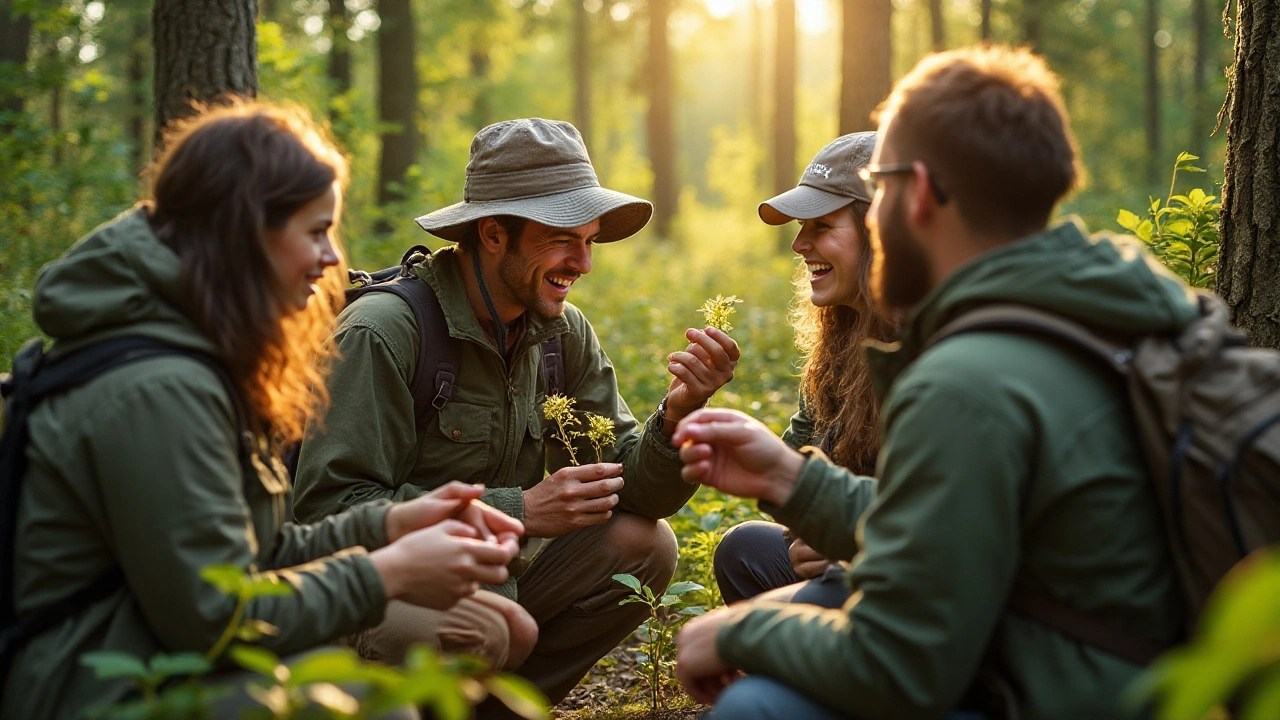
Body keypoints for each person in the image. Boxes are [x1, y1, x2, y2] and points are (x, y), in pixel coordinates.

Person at [672, 45, 1190, 720]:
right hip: (1080, 652)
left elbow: (901, 665)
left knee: (757, 708)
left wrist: (741, 629)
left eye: (877, 191)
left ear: (914, 194)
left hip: (1047, 684)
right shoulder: (1091, 305)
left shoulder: (967, 377)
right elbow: (955, 539)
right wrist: (790, 480)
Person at [1, 103, 525, 720]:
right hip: (85, 687)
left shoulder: (195, 353)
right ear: (245, 233)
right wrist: (386, 574)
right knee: (367, 706)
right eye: (315, 231)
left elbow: (252, 552)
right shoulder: (159, 388)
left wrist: (389, 526)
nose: (334, 258)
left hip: (148, 650)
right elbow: (216, 618)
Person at [291, 118, 739, 705]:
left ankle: (503, 712)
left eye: (590, 239)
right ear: (494, 233)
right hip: (368, 585)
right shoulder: (384, 333)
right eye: (562, 239)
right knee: (472, 630)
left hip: (486, 572)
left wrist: (679, 412)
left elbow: (637, 492)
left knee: (643, 544)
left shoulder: (559, 332)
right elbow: (329, 515)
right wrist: (519, 509)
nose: (583, 262)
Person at [712, 132, 898, 607]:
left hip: (917, 570)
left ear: (880, 232)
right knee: (744, 549)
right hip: (859, 553)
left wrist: (846, 544)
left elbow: (945, 518)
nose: (799, 244)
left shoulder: (931, 343)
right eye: (801, 226)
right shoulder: (840, 334)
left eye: (821, 226)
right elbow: (802, 450)